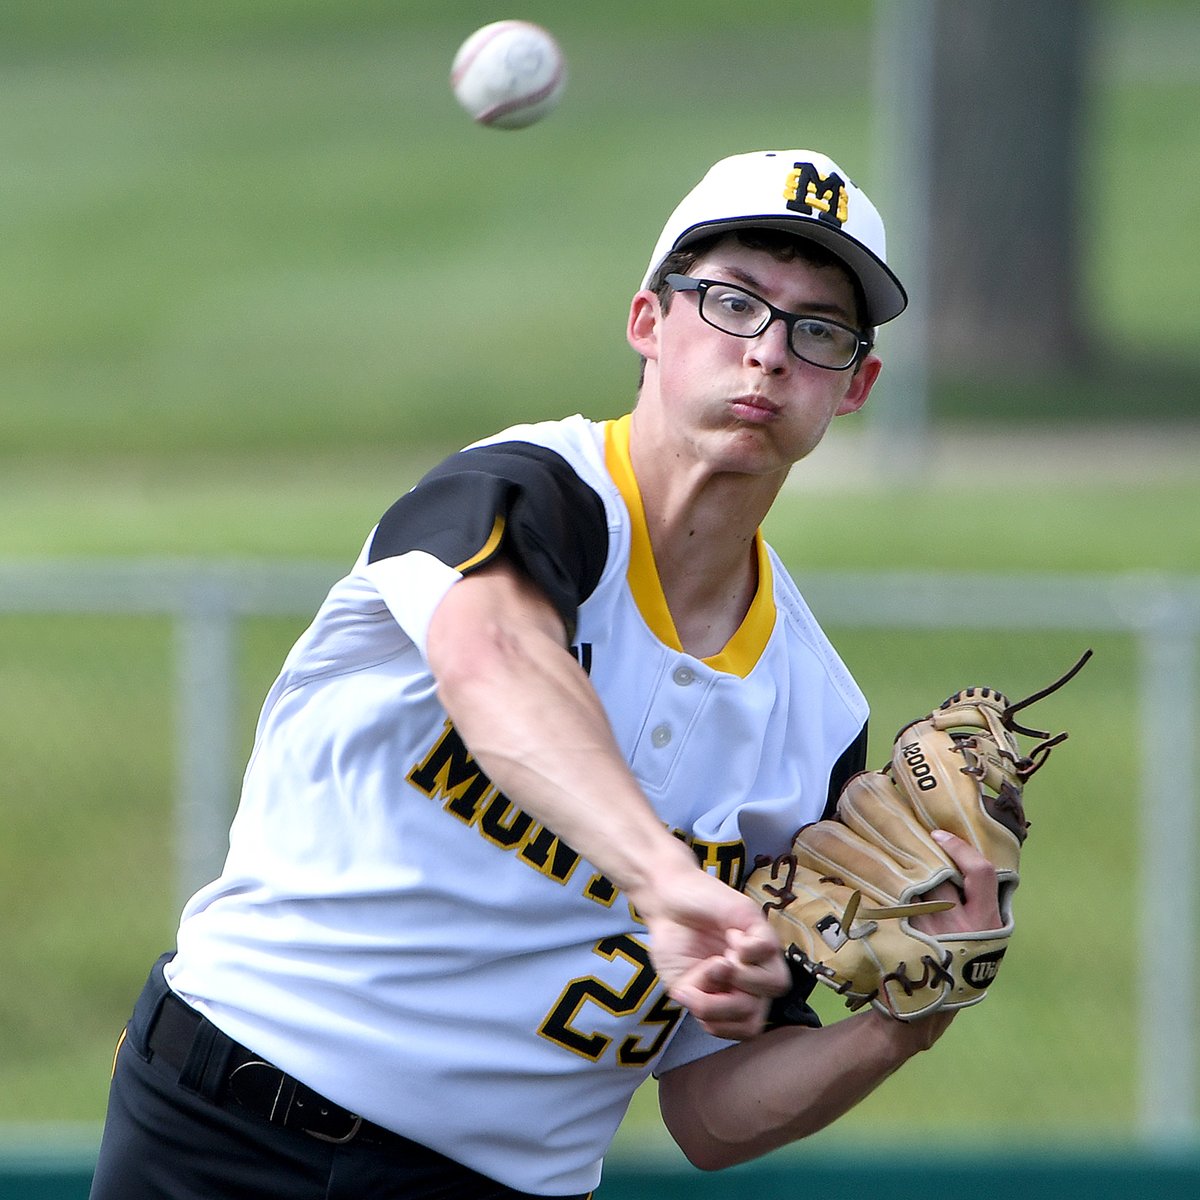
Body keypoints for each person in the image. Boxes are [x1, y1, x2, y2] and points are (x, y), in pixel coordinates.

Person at [90, 149, 1002, 1200]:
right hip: (229, 1130)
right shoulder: (528, 492)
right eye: (734, 303)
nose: (769, 354)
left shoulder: (814, 715)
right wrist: (665, 879)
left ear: (856, 386)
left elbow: (710, 1105)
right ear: (649, 325)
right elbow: (496, 665)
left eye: (818, 330)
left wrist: (906, 1026)